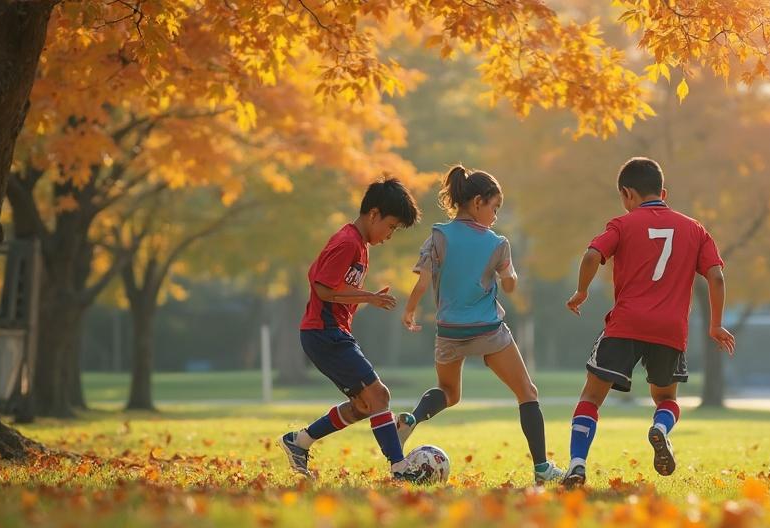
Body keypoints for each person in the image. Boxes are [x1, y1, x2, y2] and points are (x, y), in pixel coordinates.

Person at [563, 157, 736, 487]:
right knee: (666, 399)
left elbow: (590, 256)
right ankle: (660, 427)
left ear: (627, 194)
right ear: (663, 192)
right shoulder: (695, 229)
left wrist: (581, 291)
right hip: (670, 330)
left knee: (591, 397)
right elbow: (716, 276)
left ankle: (576, 464)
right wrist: (715, 324)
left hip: (626, 324)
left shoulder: (621, 224)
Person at [397, 165, 564, 484]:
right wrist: (512, 278)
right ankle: (542, 468)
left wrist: (409, 311)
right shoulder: (497, 244)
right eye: (495, 207)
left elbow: (423, 282)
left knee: (448, 392)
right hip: (488, 331)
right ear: (477, 202)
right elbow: (511, 287)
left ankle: (411, 418)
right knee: (527, 392)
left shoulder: (438, 236)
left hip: (449, 330)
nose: (496, 215)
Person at [278, 177, 422, 482]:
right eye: (391, 226)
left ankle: (299, 441)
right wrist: (368, 296)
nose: (389, 235)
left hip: (330, 332)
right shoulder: (347, 242)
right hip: (325, 333)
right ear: (374, 214)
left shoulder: (359, 244)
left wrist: (364, 298)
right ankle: (400, 468)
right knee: (379, 396)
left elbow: (328, 281)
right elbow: (322, 287)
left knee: (364, 405)